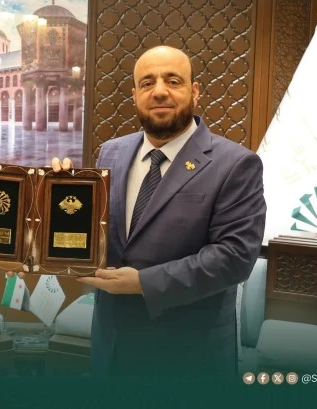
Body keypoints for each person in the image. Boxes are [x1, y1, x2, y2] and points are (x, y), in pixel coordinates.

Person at [51, 45, 266, 378]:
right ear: (135, 95)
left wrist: (144, 283)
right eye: (147, 83)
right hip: (111, 349)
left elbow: (234, 257)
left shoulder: (236, 164)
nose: (160, 91)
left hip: (188, 358)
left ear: (195, 91)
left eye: (173, 81)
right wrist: (58, 193)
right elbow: (98, 232)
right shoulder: (111, 152)